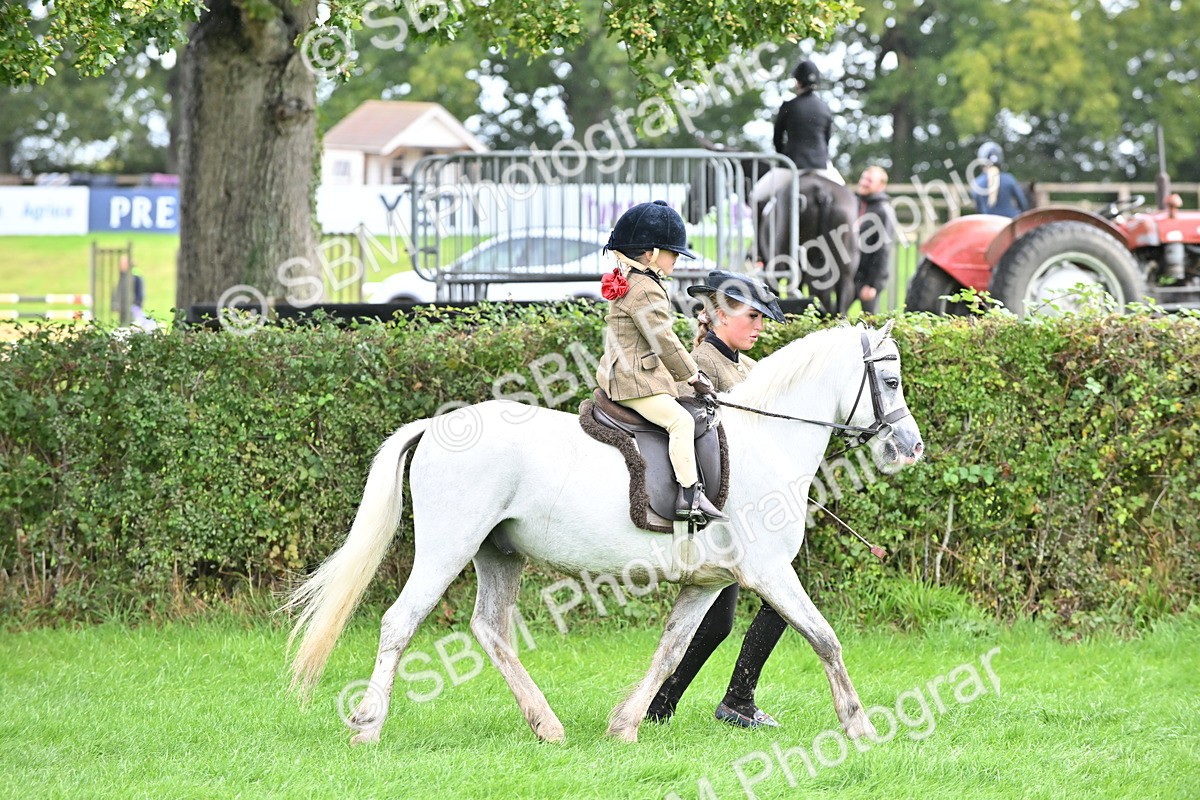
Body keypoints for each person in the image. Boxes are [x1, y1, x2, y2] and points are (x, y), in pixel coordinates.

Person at [646, 269, 790, 729]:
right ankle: (725, 702)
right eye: (753, 316)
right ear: (721, 315)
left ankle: (677, 705)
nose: (760, 326)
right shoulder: (702, 367)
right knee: (742, 614)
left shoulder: (749, 367)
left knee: (726, 619)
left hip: (744, 509)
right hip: (721, 511)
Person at [595, 201, 727, 523]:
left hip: (623, 371)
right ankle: (689, 496)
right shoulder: (646, 290)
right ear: (652, 253)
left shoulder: (635, 279)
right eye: (673, 253)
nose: (677, 259)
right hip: (634, 380)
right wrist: (694, 375)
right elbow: (665, 342)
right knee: (680, 422)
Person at [771, 59, 844, 186]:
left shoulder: (789, 106)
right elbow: (826, 139)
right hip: (821, 165)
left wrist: (783, 157)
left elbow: (777, 139)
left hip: (792, 165)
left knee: (755, 195)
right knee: (847, 195)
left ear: (798, 82)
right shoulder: (825, 107)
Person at [853, 166, 896, 314]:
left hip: (867, 279)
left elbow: (884, 249)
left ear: (881, 186)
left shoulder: (883, 210)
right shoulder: (855, 204)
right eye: (863, 178)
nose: (863, 182)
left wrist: (873, 285)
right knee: (834, 316)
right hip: (850, 275)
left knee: (870, 321)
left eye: (869, 180)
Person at [971, 142, 1029, 218]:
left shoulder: (977, 182)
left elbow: (978, 208)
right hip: (1009, 222)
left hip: (987, 223)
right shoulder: (1009, 179)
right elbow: (1023, 204)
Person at [111, 254, 146, 324]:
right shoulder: (123, 275)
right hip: (123, 308)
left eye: (122, 263)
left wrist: (137, 305)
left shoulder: (134, 276)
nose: (120, 265)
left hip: (132, 308)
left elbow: (139, 293)